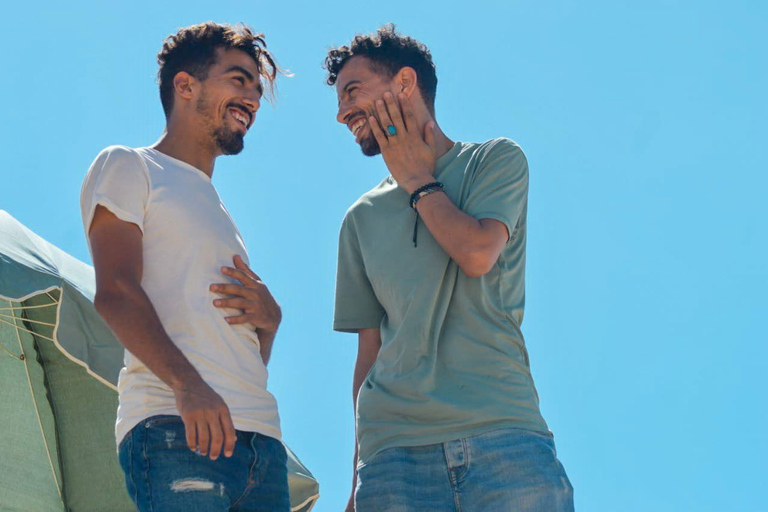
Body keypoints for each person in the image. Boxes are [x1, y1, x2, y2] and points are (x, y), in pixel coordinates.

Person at [326, 25, 574, 512]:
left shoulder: (494, 160)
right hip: (392, 460)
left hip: (505, 438)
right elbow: (369, 354)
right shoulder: (359, 218)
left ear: (404, 82)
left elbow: (477, 253)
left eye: (352, 91)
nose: (341, 113)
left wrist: (416, 179)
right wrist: (358, 478)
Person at [80, 22, 290, 511]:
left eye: (257, 89)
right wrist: (188, 386)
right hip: (175, 429)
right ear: (185, 84)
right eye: (239, 79)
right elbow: (114, 290)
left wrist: (270, 325)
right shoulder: (130, 165)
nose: (254, 98)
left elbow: (231, 348)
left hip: (262, 444)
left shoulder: (219, 211)